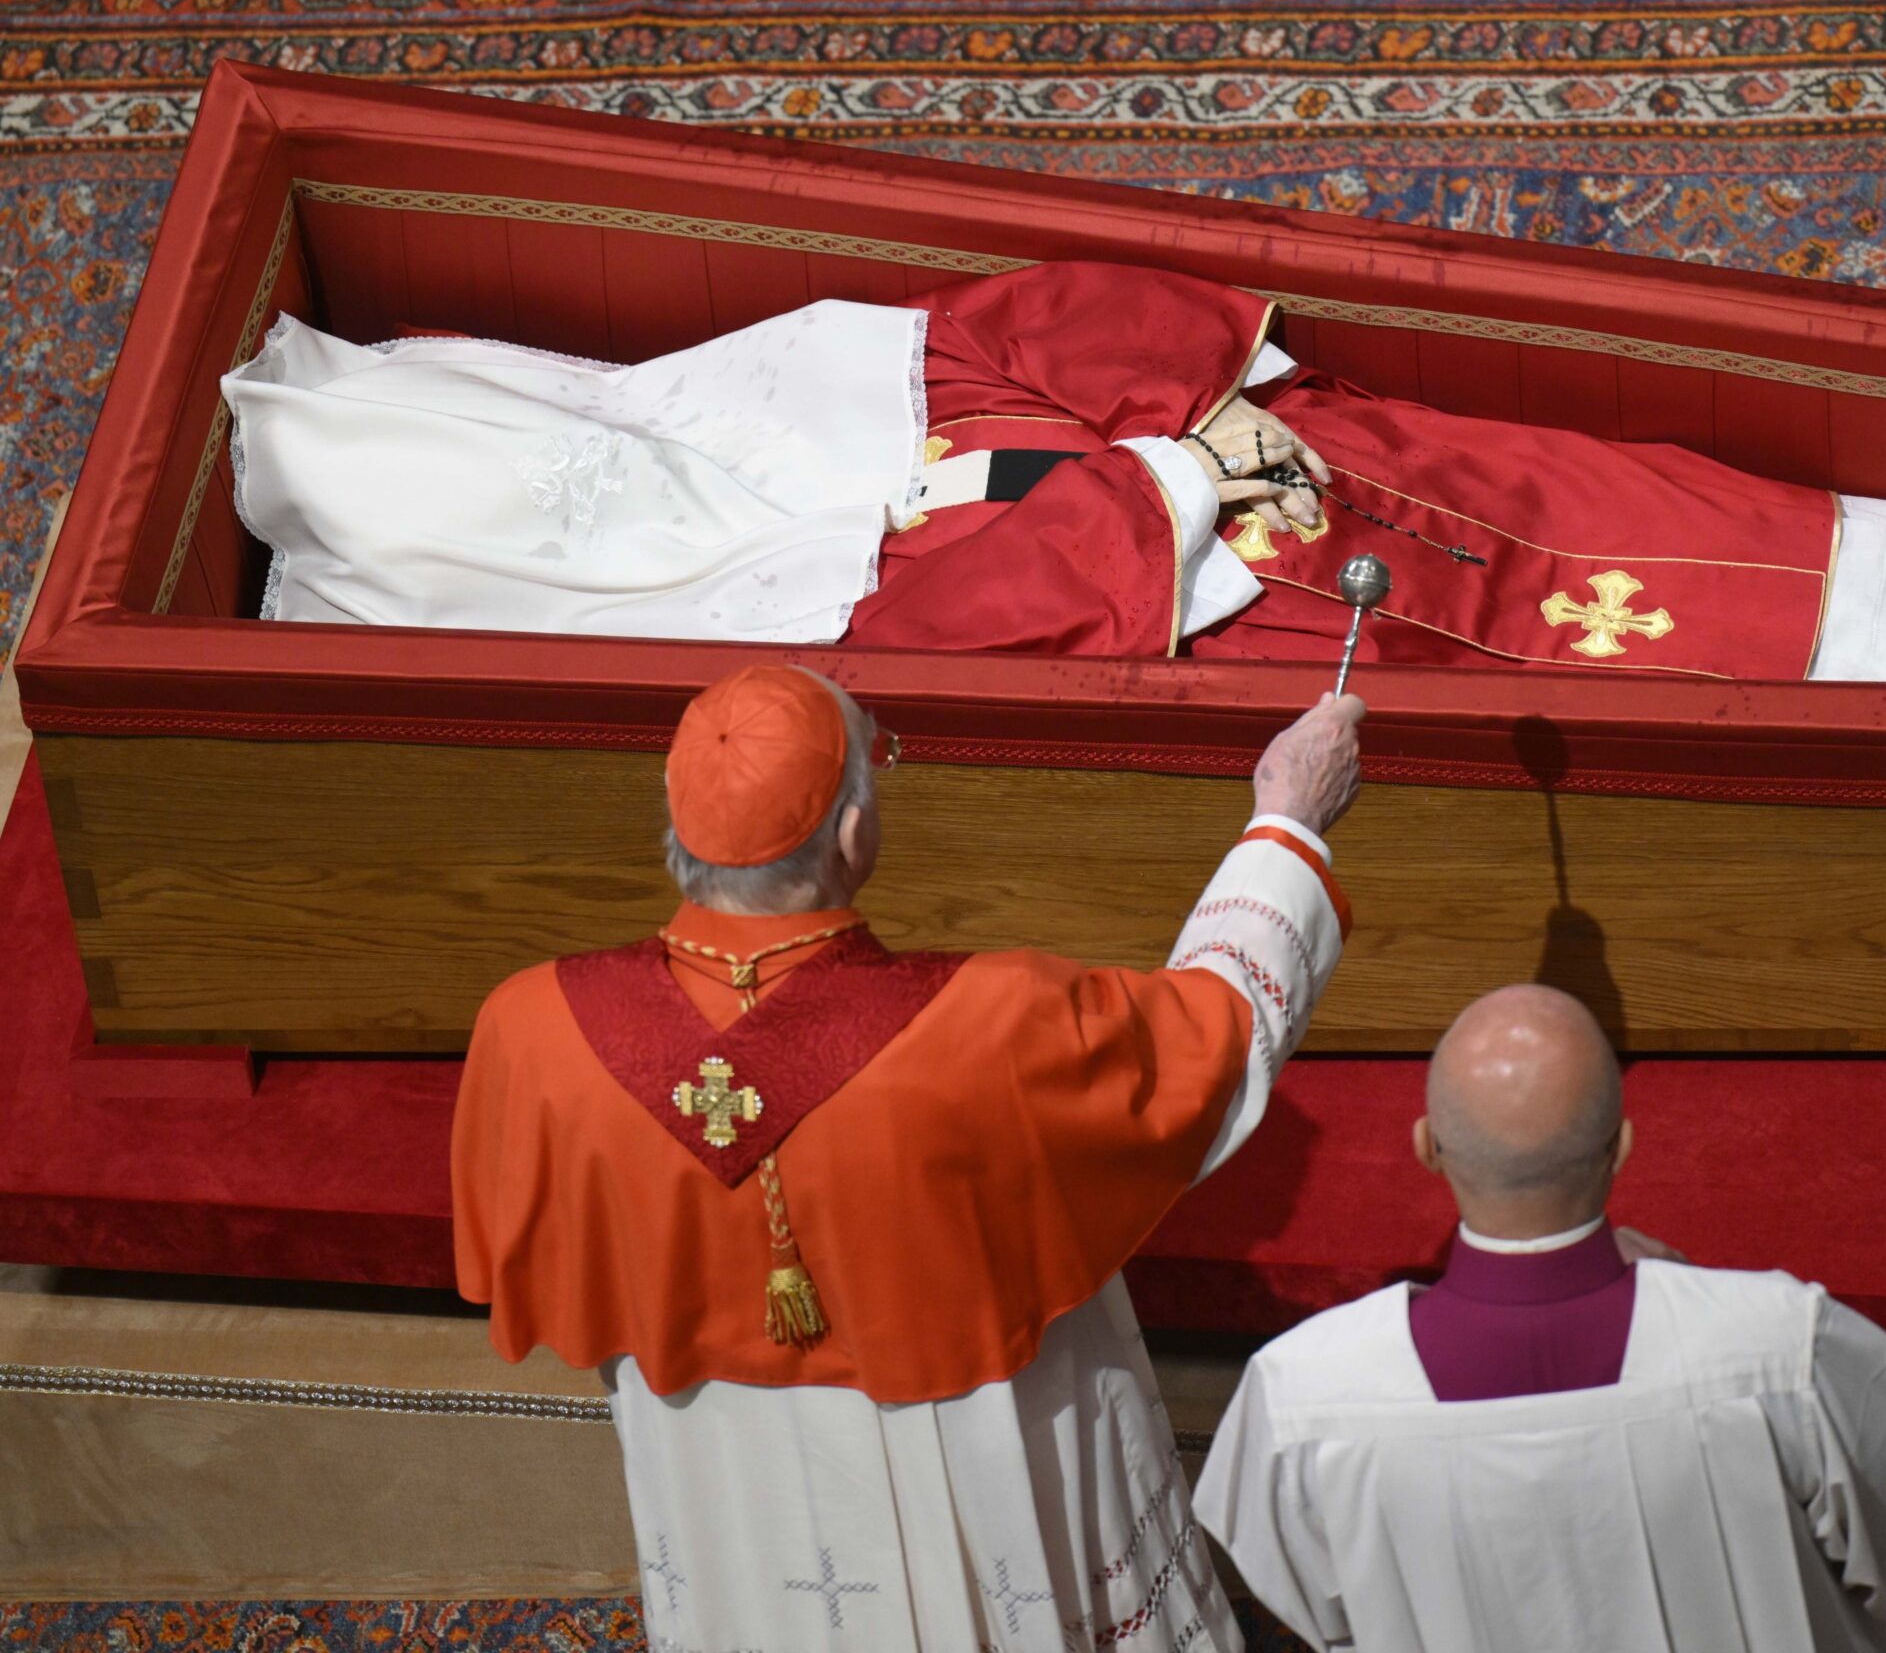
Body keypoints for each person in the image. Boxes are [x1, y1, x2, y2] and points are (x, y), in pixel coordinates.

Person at [450, 662, 1364, 1652]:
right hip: (976, 1449)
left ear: (677, 819)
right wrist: (1287, 821)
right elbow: (1215, 1033)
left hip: (721, 1471)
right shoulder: (991, 1024)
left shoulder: (529, 1029)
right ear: (853, 834)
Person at [227, 260, 1886, 686]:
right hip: (1278, 628)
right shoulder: (711, 636)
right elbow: (955, 631)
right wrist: (1169, 492)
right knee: (1698, 641)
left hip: (1311, 469)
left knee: (1708, 513)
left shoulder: (731, 400)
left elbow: (1001, 330)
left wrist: (1203, 418)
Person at [1196, 983, 1886, 1653]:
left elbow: (1321, 1609)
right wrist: (1696, 1302)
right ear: (1622, 1147)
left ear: (1427, 1147)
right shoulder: (1778, 1343)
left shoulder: (1301, 1395)